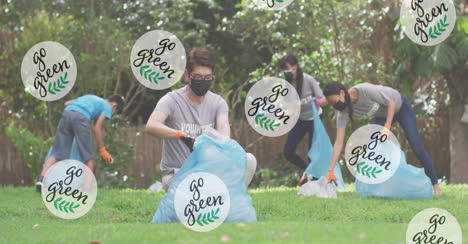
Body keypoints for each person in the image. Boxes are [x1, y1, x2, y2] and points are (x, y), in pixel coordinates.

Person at [145, 48, 257, 191]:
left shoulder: (218, 103)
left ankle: (228, 200)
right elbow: (151, 125)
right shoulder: (171, 100)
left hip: (207, 171)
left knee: (249, 160)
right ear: (187, 75)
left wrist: (220, 144)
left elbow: (224, 131)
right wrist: (179, 135)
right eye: (198, 77)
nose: (202, 81)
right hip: (178, 175)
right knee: (200, 185)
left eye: (207, 77)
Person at [323, 81, 442, 195]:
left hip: (401, 108)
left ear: (342, 93)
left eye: (336, 101)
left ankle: (435, 184)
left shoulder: (365, 90)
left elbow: (391, 103)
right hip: (381, 117)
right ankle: (380, 187)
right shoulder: (342, 112)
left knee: (416, 147)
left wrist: (387, 127)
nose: (336, 106)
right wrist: (331, 170)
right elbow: (338, 143)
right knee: (372, 150)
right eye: (332, 104)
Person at [35, 94, 125, 193]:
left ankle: (41, 180)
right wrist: (102, 149)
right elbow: (97, 128)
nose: (111, 115)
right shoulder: (107, 107)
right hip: (81, 118)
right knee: (89, 157)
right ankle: (87, 189)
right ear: (114, 105)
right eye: (114, 113)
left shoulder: (92, 98)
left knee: (57, 153)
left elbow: (67, 103)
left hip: (67, 113)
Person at [279, 54, 326, 185]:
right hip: (299, 120)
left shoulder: (308, 80)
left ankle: (314, 182)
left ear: (295, 66)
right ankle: (308, 171)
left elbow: (323, 99)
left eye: (289, 68)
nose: (287, 71)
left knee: (313, 153)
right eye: (284, 69)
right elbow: (289, 108)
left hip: (315, 118)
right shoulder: (287, 85)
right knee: (288, 152)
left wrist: (316, 102)